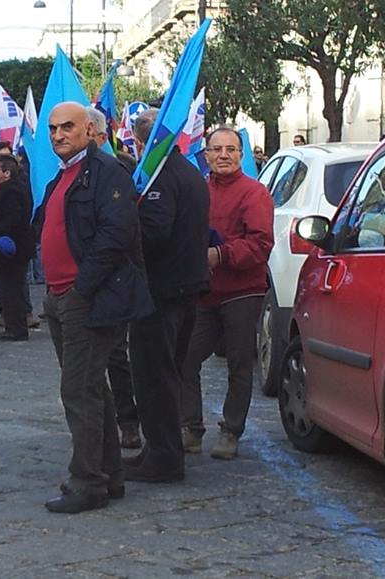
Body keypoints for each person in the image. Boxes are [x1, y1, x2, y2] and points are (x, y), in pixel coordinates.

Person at [35, 102, 153, 514]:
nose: (58, 135)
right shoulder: (64, 175)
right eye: (52, 129)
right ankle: (109, 474)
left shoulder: (106, 172)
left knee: (78, 390)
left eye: (67, 127)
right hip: (62, 295)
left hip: (85, 297)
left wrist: (81, 289)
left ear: (90, 130)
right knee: (91, 387)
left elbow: (116, 234)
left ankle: (87, 482)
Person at [122, 109, 210, 483]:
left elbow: (155, 230)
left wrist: (124, 230)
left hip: (162, 291)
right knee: (164, 374)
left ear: (142, 142)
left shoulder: (164, 176)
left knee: (153, 377)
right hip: (183, 288)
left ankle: (164, 457)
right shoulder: (188, 171)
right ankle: (158, 449)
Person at [179, 127, 273, 460]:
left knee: (238, 365)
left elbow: (260, 244)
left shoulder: (254, 193)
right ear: (205, 155)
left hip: (242, 292)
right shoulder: (199, 191)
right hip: (204, 293)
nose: (223, 155)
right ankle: (191, 428)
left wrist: (221, 255)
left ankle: (231, 431)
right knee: (185, 359)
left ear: (241, 154)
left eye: (230, 149)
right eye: (216, 149)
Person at [85, 106, 140, 449]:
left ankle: (128, 420)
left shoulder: (119, 169)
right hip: (80, 278)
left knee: (116, 354)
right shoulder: (67, 172)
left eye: (87, 132)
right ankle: (98, 424)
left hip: (112, 275)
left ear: (102, 136)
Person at [0, 154, 34, 341]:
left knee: (11, 288)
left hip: (13, 247)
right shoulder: (10, 189)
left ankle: (17, 327)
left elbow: (13, 217)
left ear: (7, 173)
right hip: (13, 246)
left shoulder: (12, 191)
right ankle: (14, 325)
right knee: (9, 287)